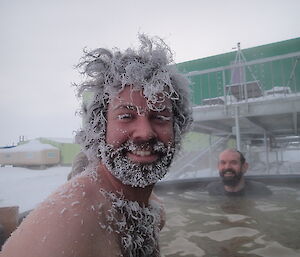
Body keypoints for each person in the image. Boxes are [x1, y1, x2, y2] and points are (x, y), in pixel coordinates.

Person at [0, 34, 192, 257]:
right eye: (126, 116)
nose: (145, 133)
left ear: (177, 129)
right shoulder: (70, 226)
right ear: (100, 128)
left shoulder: (152, 208)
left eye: (160, 117)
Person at [207, 149, 272, 196]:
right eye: (223, 163)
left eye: (234, 163)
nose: (227, 167)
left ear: (244, 167)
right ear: (218, 167)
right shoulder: (211, 189)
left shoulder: (260, 190)